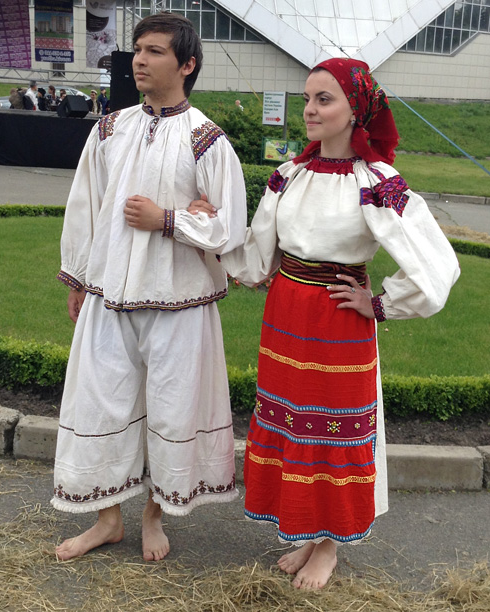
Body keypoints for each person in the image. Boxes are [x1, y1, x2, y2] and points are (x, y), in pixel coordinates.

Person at [189, 58, 460, 589]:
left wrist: (380, 302)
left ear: (355, 110)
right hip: (286, 316)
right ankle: (309, 532)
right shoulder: (291, 174)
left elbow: (436, 265)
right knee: (293, 423)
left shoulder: (376, 180)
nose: (310, 110)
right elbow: (256, 256)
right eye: (308, 98)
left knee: (331, 430)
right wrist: (208, 226)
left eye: (324, 99)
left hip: (338, 322)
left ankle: (330, 544)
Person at [51, 12, 247, 563]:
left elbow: (229, 226)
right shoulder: (110, 129)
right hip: (110, 294)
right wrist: (79, 277)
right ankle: (107, 520)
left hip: (179, 302)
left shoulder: (207, 139)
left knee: (170, 409)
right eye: (138, 49)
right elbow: (85, 209)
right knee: (101, 405)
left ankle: (153, 516)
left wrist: (170, 219)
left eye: (156, 51)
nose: (140, 59)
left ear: (186, 65)